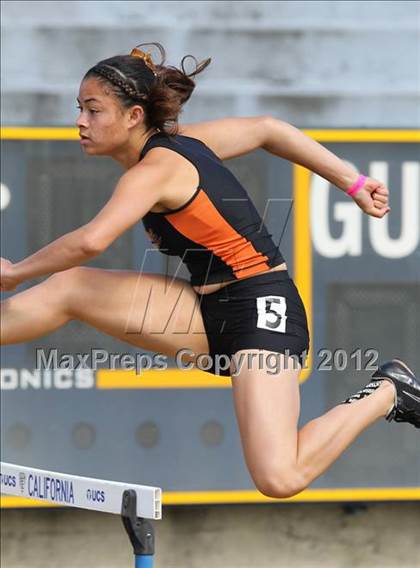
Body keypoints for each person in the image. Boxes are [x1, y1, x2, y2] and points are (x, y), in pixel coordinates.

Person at [1, 42, 419, 499]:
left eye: (94, 110)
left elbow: (91, 241)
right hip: (206, 306)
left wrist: (17, 272)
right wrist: (353, 182)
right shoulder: (184, 145)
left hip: (262, 309)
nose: (80, 121)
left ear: (134, 116)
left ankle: (388, 392)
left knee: (279, 478)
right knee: (71, 289)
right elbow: (266, 129)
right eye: (79, 108)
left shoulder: (154, 170)